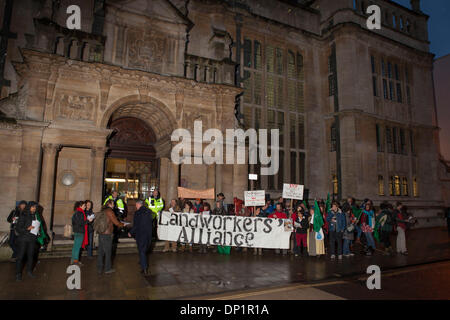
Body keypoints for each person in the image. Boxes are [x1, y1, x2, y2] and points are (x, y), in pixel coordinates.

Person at [95, 199, 125, 274]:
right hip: (107, 234)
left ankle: (99, 268)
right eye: (113, 204)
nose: (114, 205)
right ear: (110, 204)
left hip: (101, 232)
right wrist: (123, 224)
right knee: (108, 252)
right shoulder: (110, 211)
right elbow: (116, 223)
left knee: (101, 251)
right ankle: (107, 268)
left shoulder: (103, 210)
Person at [15, 201, 40, 281]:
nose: (34, 209)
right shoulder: (23, 215)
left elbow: (35, 226)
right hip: (23, 239)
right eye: (33, 207)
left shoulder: (35, 216)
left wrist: (37, 230)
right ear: (29, 207)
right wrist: (27, 229)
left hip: (32, 239)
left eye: (35, 207)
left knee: (31, 256)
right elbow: (18, 228)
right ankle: (18, 274)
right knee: (21, 256)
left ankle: (29, 271)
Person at [128, 200, 153, 275]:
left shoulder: (137, 213)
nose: (136, 206)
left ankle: (144, 268)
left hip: (140, 234)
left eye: (136, 205)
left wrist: (131, 232)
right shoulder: (149, 211)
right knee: (144, 250)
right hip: (148, 234)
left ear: (139, 204)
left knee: (141, 251)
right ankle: (142, 262)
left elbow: (136, 225)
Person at [71, 201, 89, 265]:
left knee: (75, 246)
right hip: (80, 232)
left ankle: (73, 260)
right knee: (78, 247)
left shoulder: (76, 212)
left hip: (76, 231)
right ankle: (75, 261)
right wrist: (88, 220)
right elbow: (81, 223)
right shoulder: (81, 213)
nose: (85, 207)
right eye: (84, 205)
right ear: (80, 206)